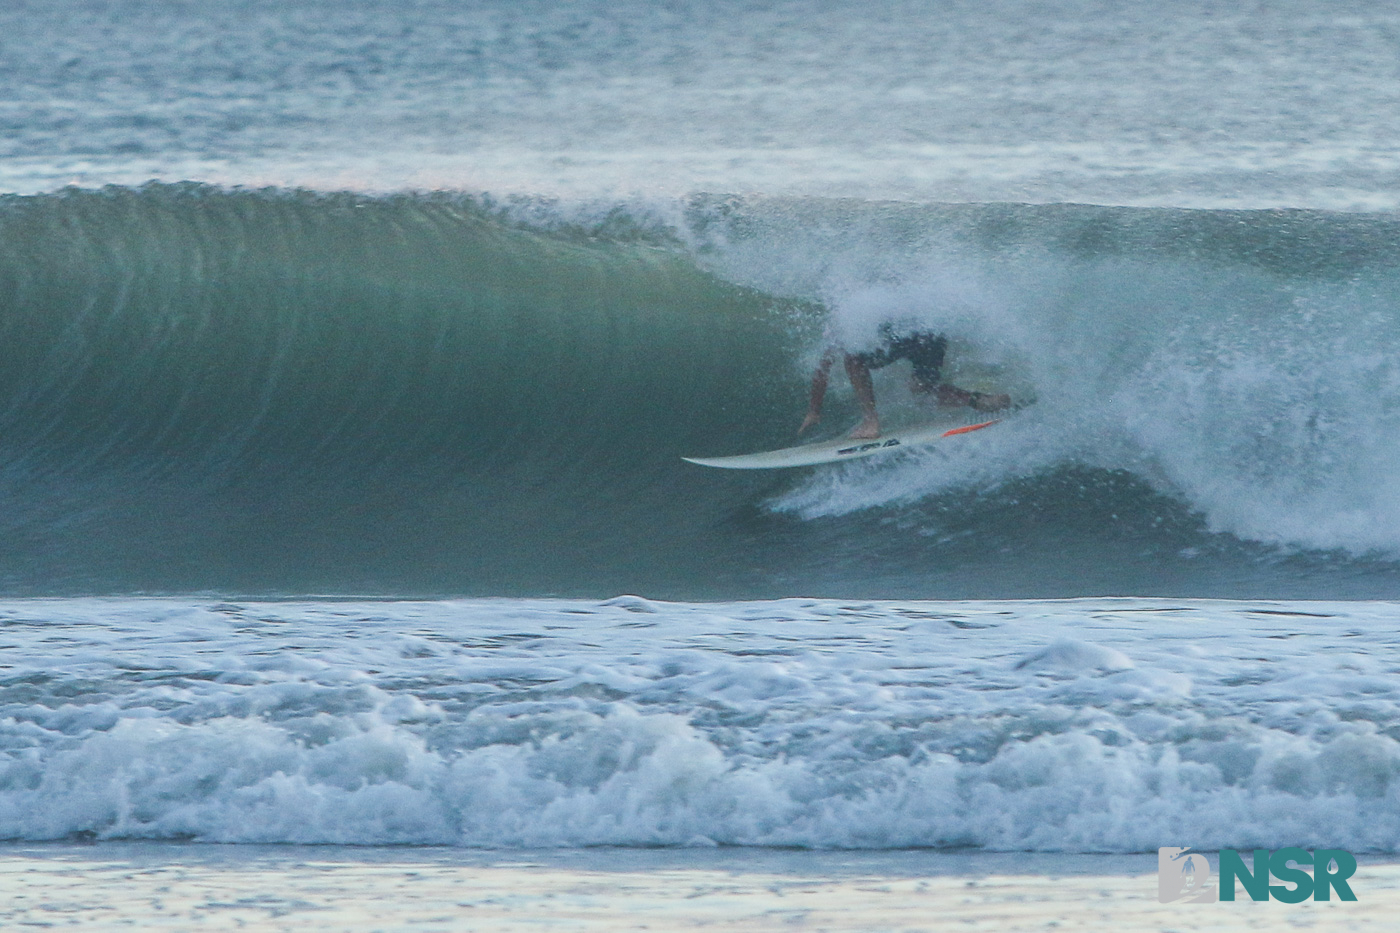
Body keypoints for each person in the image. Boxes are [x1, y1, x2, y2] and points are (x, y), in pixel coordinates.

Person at [798, 323, 1010, 439]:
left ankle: (871, 421)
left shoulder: (844, 320)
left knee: (853, 359)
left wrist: (814, 411)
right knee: (922, 388)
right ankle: (980, 400)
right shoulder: (878, 302)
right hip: (932, 332)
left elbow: (822, 369)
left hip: (908, 336)